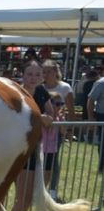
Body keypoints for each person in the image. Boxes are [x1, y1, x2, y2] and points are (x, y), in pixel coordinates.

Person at [4, 61, 58, 211]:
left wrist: (49, 117)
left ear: (42, 76)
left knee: (29, 196)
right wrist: (38, 118)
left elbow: (51, 115)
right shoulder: (16, 92)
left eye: (37, 74)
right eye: (30, 74)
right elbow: (13, 118)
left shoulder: (42, 92)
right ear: (23, 75)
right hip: (18, 149)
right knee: (15, 195)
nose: (33, 78)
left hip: (38, 149)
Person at [40, 60, 73, 194]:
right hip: (39, 129)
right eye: (44, 71)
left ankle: (52, 189)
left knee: (53, 159)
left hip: (56, 129)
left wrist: (69, 130)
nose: (46, 74)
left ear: (56, 72)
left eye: (49, 71)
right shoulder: (39, 87)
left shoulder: (65, 88)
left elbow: (71, 110)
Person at [87, 70, 104, 172]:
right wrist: (91, 118)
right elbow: (91, 101)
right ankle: (101, 167)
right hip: (102, 116)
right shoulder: (101, 83)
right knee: (103, 143)